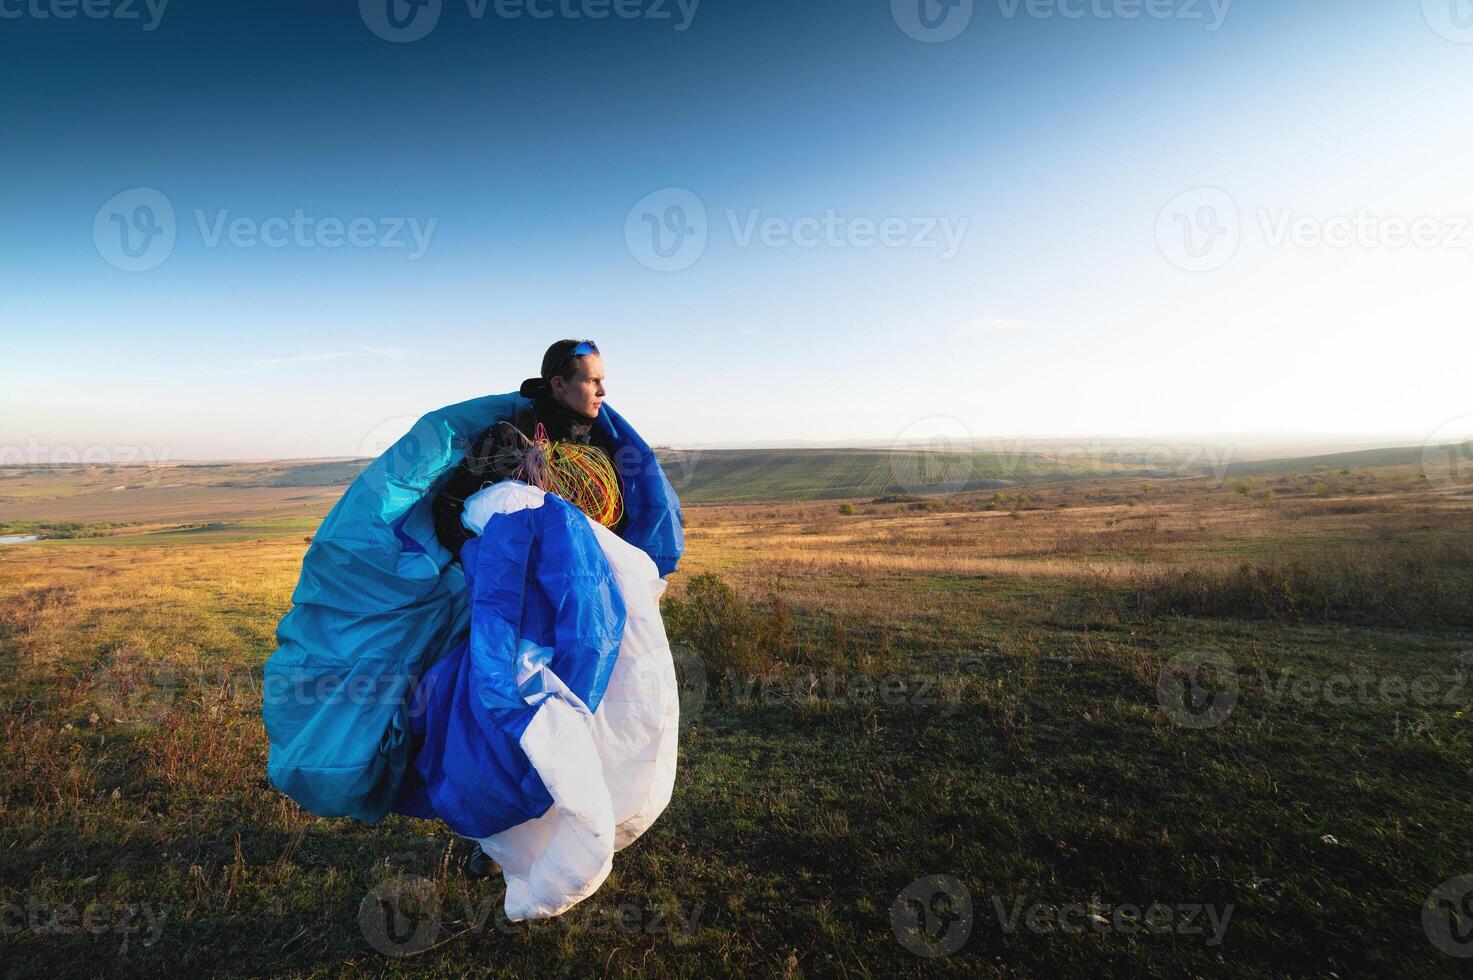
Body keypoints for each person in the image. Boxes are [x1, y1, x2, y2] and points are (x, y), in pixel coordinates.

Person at [431, 339, 628, 561]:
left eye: (601, 381)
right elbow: (448, 509)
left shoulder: (598, 444)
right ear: (559, 384)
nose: (603, 391)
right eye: (593, 381)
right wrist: (496, 562)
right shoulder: (511, 439)